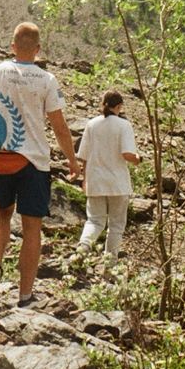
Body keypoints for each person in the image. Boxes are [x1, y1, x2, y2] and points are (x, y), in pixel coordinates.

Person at [0, 22, 79, 308]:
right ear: (38, 50)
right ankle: (25, 295)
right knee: (31, 228)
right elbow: (60, 126)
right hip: (34, 162)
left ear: (12, 46)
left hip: (0, 157)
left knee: (2, 214)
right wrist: (72, 160)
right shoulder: (46, 80)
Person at [76, 89, 140, 259]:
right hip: (117, 183)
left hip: (95, 180)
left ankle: (83, 248)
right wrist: (138, 159)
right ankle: (109, 264)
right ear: (119, 106)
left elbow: (84, 155)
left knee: (95, 221)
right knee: (116, 226)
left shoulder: (92, 124)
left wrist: (85, 179)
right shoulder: (123, 125)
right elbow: (127, 154)